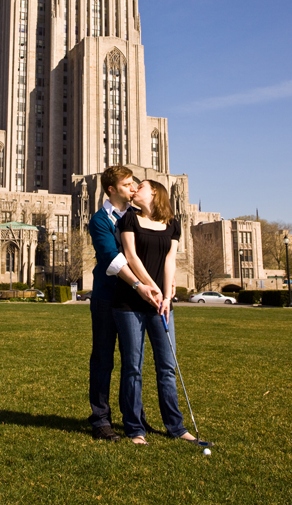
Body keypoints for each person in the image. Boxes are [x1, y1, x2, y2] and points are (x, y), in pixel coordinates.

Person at [113, 179, 213, 447]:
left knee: (167, 366)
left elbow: (170, 261)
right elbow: (131, 257)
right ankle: (135, 428)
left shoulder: (172, 224)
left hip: (161, 305)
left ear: (154, 191)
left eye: (140, 186)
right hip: (131, 303)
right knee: (133, 367)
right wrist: (150, 287)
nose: (134, 190)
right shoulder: (129, 221)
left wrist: (167, 296)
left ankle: (176, 427)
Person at [88, 166, 161, 441]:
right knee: (103, 358)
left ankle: (135, 419)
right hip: (108, 297)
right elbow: (112, 259)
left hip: (133, 301)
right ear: (111, 189)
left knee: (134, 361)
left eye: (134, 184)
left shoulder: (136, 217)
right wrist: (139, 285)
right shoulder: (99, 220)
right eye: (128, 184)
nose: (133, 188)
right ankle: (100, 420)